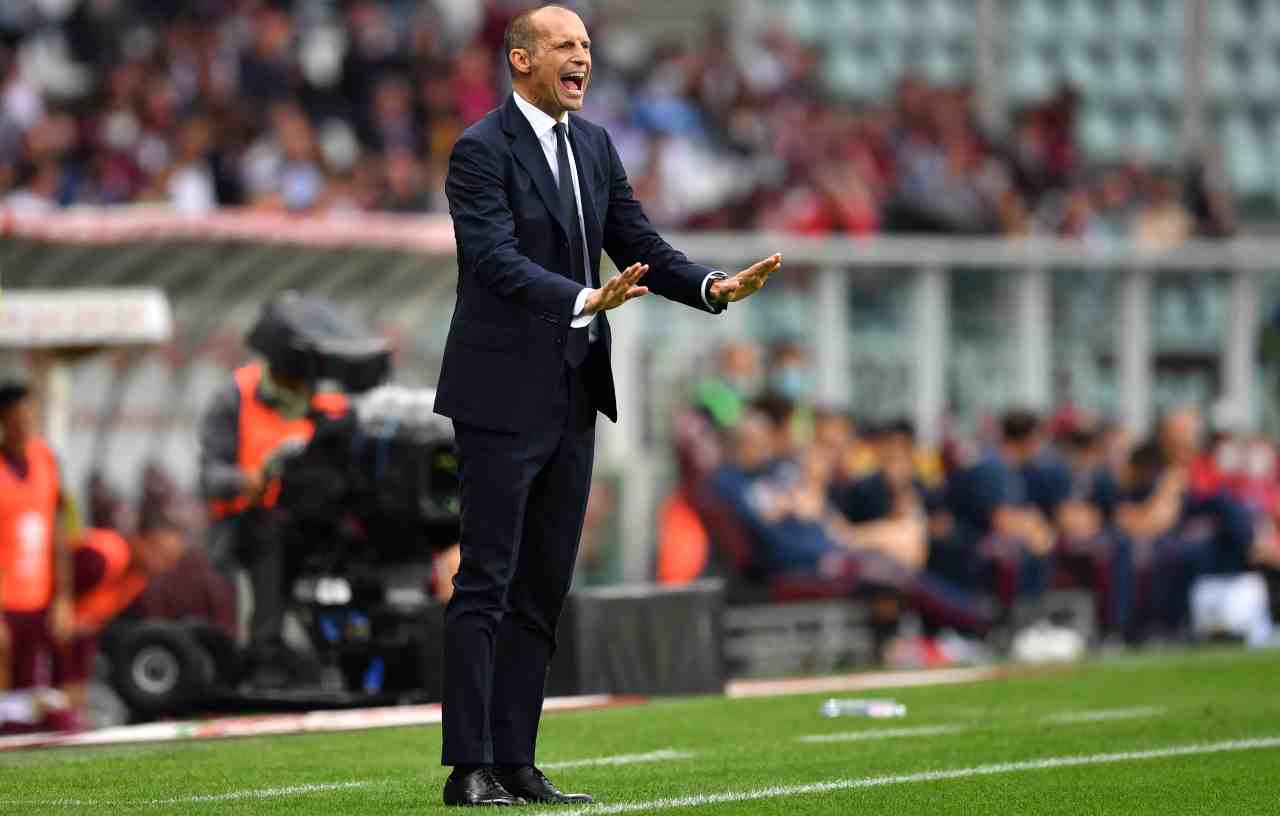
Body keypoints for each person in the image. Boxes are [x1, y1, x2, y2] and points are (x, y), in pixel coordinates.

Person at [432, 4, 781, 806]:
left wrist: (709, 286)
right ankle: (468, 768)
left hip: (573, 391)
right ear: (521, 60)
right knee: (486, 581)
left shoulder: (593, 145)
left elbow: (639, 242)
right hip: (498, 394)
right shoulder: (480, 150)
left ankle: (518, 763)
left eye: (586, 44)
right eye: (564, 44)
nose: (582, 56)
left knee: (543, 587)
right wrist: (585, 297)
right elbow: (491, 259)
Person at [198, 358, 346, 684]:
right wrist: (247, 480)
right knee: (270, 537)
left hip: (318, 518)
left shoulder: (334, 397)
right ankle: (265, 652)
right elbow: (210, 477)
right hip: (253, 522)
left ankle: (337, 646)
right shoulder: (236, 395)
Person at [56, 509, 189, 718]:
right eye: (160, 554)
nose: (164, 566)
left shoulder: (137, 577)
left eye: (171, 560)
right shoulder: (100, 559)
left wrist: (75, 677)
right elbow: (52, 601)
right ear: (139, 540)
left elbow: (87, 623)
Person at [0, 380, 73, 693]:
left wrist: (63, 597)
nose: (25, 424)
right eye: (17, 418)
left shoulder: (45, 459)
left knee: (32, 695)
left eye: (30, 415)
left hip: (39, 600)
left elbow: (58, 530)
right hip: (6, 602)